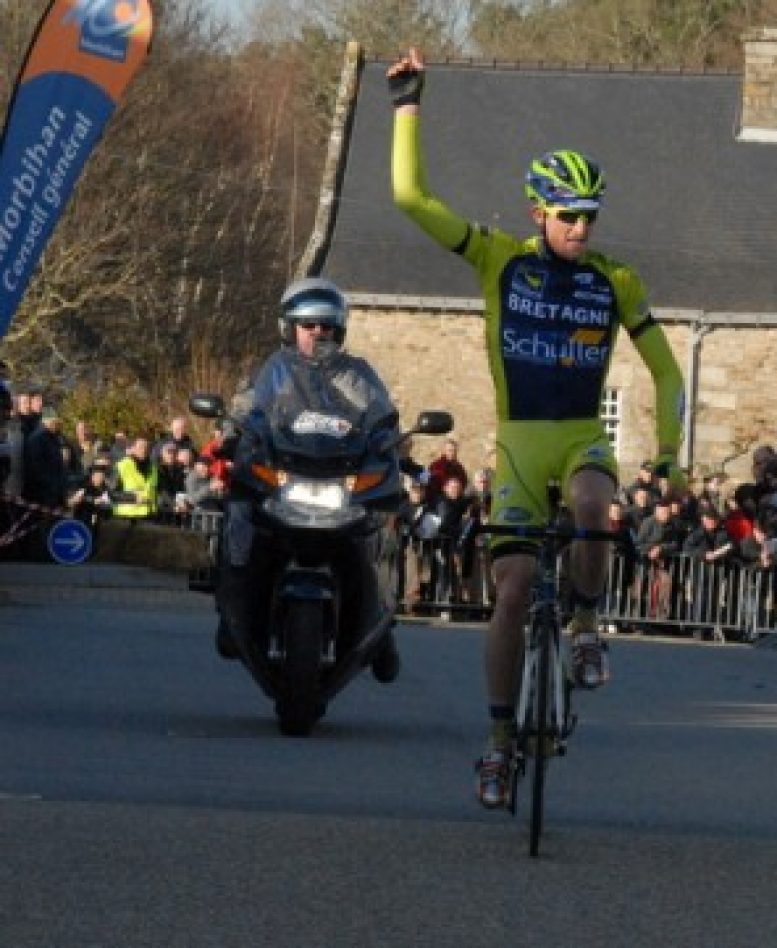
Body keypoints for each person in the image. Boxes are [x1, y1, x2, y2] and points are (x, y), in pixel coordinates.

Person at [388, 47, 686, 810]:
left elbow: (666, 372)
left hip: (581, 435)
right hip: (519, 444)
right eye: (568, 215)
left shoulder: (614, 281)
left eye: (590, 216)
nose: (581, 227)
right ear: (538, 213)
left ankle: (585, 625)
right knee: (513, 592)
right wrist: (408, 105)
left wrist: (668, 456)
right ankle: (497, 743)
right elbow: (411, 198)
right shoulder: (499, 261)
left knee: (591, 506)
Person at [216, 278, 403, 675]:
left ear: (339, 330)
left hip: (340, 478)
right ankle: (232, 606)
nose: (318, 332)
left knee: (378, 529)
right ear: (289, 328)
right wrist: (231, 433)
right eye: (309, 325)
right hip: (287, 474)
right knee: (241, 512)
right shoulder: (274, 372)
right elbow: (248, 408)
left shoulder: (355, 374)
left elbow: (382, 416)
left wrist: (388, 443)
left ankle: (380, 622)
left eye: (327, 326)